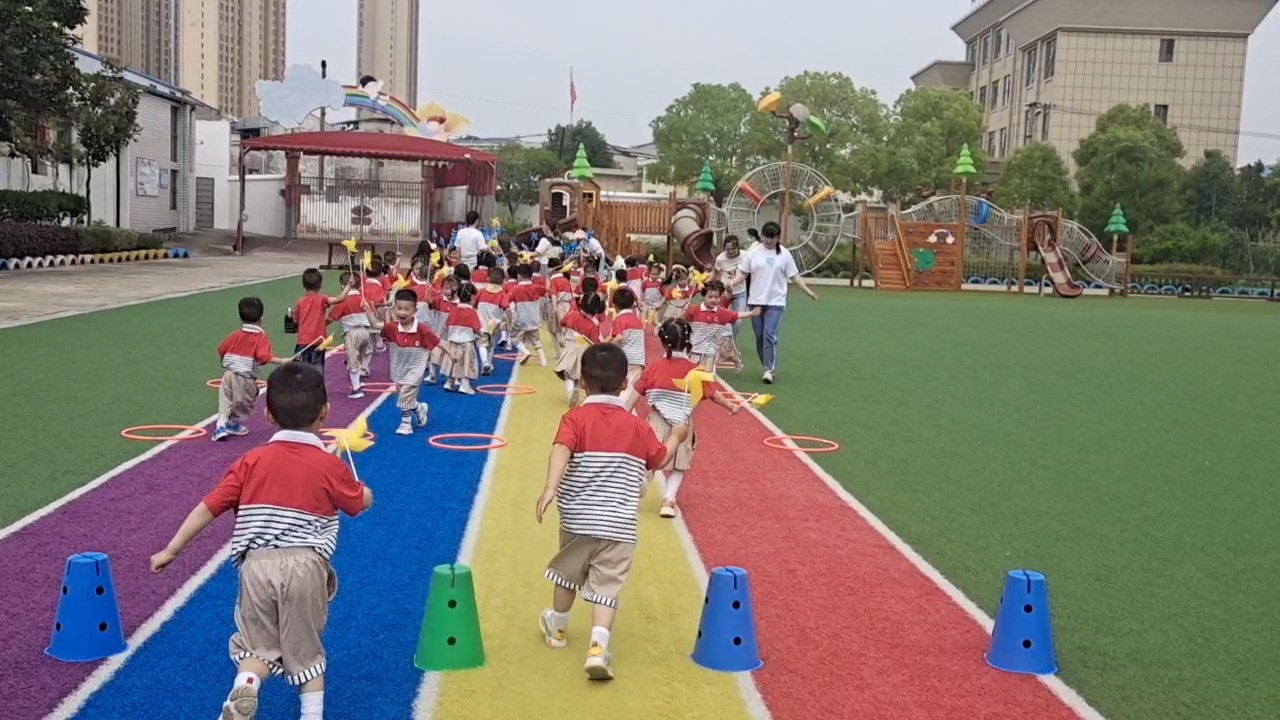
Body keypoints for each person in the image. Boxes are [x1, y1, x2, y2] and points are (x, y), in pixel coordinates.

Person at [150, 362, 373, 720]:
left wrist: (171, 549)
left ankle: (248, 684)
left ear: (268, 415)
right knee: (306, 649)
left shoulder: (250, 461)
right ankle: (311, 715)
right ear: (325, 412)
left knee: (256, 645)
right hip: (305, 565)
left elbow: (208, 508)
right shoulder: (329, 465)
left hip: (256, 565)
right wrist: (365, 492)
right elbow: (358, 504)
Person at [534, 342, 689, 681]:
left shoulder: (575, 418)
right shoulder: (637, 426)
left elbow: (561, 448)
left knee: (567, 573)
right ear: (624, 384)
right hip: (619, 523)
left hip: (578, 517)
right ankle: (597, 648)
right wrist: (676, 437)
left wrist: (550, 487)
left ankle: (557, 630)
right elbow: (659, 459)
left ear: (583, 382)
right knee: (607, 586)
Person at [627, 319, 740, 518]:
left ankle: (642, 480)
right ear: (688, 341)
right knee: (679, 464)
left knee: (650, 457)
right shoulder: (696, 371)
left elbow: (634, 394)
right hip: (682, 424)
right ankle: (668, 501)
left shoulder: (654, 368)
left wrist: (623, 413)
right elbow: (713, 394)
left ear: (663, 341)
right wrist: (730, 405)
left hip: (656, 421)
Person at [730, 221, 818, 384]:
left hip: (776, 301)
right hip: (756, 301)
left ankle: (768, 369)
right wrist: (732, 283)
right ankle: (766, 364)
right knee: (759, 336)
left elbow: (794, 276)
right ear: (762, 236)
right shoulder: (753, 253)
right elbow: (743, 273)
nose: (769, 240)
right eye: (766, 237)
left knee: (769, 334)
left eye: (773, 237)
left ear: (778, 237)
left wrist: (807, 290)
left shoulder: (784, 254)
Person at [365, 289, 441, 435]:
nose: (402, 312)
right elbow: (375, 324)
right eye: (399, 308)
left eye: (406, 309)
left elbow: (438, 341)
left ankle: (405, 423)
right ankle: (419, 408)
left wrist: (451, 354)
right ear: (394, 309)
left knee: (405, 394)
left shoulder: (421, 329)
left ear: (415, 311)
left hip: (416, 367)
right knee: (404, 395)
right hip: (400, 367)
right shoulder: (392, 327)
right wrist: (368, 310)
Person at [214, 297, 287, 442]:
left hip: (228, 374)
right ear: (262, 318)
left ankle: (220, 426)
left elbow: (221, 349)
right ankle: (232, 424)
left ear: (239, 316)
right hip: (245, 376)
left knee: (225, 400)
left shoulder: (235, 335)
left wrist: (224, 362)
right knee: (244, 403)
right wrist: (282, 361)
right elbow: (263, 356)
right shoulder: (260, 337)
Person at [684, 280, 758, 372]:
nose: (713, 300)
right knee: (692, 374)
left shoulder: (721, 312)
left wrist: (751, 313)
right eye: (710, 297)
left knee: (707, 374)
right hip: (694, 351)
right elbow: (683, 321)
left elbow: (737, 315)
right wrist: (685, 312)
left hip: (710, 352)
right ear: (703, 296)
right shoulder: (693, 310)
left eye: (716, 297)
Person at [328, 273, 376, 399]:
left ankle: (356, 388)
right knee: (359, 357)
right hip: (366, 332)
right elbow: (372, 314)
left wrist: (322, 324)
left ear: (342, 286)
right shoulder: (364, 299)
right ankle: (358, 379)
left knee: (353, 360)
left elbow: (331, 318)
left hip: (352, 333)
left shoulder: (342, 301)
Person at [554, 291, 606, 405]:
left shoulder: (573, 315)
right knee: (579, 374)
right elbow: (595, 342)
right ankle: (577, 390)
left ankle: (570, 393)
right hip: (584, 351)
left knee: (567, 373)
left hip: (570, 347)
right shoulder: (594, 324)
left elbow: (562, 322)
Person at [288, 269, 344, 369]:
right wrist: (348, 286)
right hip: (318, 340)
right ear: (320, 284)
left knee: (302, 368)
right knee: (317, 367)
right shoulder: (322, 299)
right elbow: (340, 299)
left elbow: (296, 320)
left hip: (303, 341)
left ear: (304, 285)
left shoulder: (300, 302)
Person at [441, 282, 482, 394]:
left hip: (452, 341)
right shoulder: (472, 312)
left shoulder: (453, 310)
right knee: (467, 363)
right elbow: (476, 328)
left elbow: (446, 325)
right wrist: (481, 335)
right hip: (466, 342)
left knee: (452, 362)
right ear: (472, 297)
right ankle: (465, 384)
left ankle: (449, 382)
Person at [507, 263, 548, 366]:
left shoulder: (515, 289)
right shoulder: (537, 288)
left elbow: (506, 301)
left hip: (521, 320)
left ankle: (525, 352)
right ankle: (543, 361)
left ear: (519, 276)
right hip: (535, 319)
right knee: (536, 340)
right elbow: (546, 291)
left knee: (514, 338)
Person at [607, 287, 646, 393]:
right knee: (630, 389)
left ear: (615, 305)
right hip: (638, 360)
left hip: (625, 359)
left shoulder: (619, 319)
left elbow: (619, 338)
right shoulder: (636, 320)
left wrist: (608, 350)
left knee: (621, 389)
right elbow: (612, 336)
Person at [711, 236, 748, 333]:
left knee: (738, 320)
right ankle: (723, 338)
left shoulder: (745, 256)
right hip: (725, 293)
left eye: (733, 249)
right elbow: (715, 273)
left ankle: (731, 339)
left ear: (738, 247)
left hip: (740, 292)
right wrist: (707, 283)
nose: (731, 251)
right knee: (721, 318)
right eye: (728, 249)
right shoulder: (720, 259)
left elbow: (746, 273)